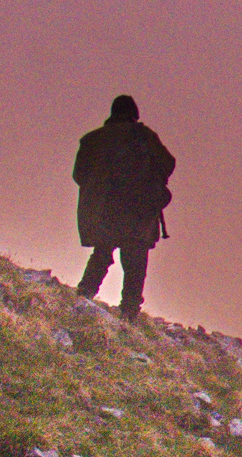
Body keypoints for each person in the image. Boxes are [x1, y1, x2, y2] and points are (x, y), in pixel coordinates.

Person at [73, 94, 176, 317]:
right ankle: (129, 311)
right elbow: (168, 163)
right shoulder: (144, 136)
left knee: (102, 253)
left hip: (104, 210)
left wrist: (101, 189)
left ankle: (84, 295)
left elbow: (79, 175)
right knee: (135, 262)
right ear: (134, 114)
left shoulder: (91, 140)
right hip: (138, 210)